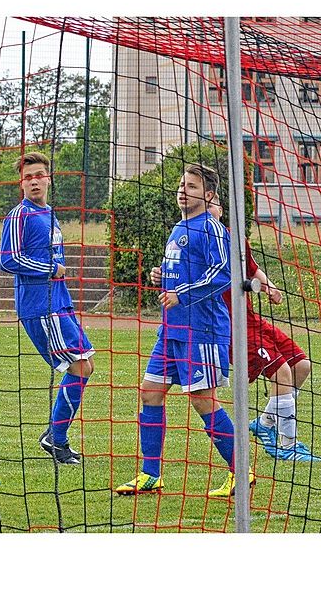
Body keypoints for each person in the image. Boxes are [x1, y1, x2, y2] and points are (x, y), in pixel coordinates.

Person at [115, 164, 253, 498]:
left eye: (190, 186)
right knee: (150, 391)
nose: (182, 190)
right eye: (181, 184)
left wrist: (183, 293)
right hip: (172, 328)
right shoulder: (180, 226)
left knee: (203, 401)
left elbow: (224, 273)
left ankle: (241, 471)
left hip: (202, 329)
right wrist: (163, 277)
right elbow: (189, 271)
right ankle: (151, 474)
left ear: (208, 195)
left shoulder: (212, 228)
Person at [0, 151, 95, 465]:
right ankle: (57, 438)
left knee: (86, 366)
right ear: (22, 183)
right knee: (79, 367)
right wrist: (49, 268)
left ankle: (55, 435)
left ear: (48, 179)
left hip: (60, 302)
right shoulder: (19, 216)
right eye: (28, 177)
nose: (34, 181)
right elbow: (8, 259)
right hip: (39, 307)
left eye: (39, 175)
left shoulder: (50, 213)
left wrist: (56, 272)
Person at [203, 194, 316, 461]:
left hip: (250, 318)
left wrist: (270, 286)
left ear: (220, 208)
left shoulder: (234, 239)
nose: (209, 210)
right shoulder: (198, 243)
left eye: (212, 205)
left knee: (302, 365)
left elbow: (252, 270)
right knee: (282, 373)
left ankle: (264, 424)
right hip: (229, 327)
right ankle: (288, 446)